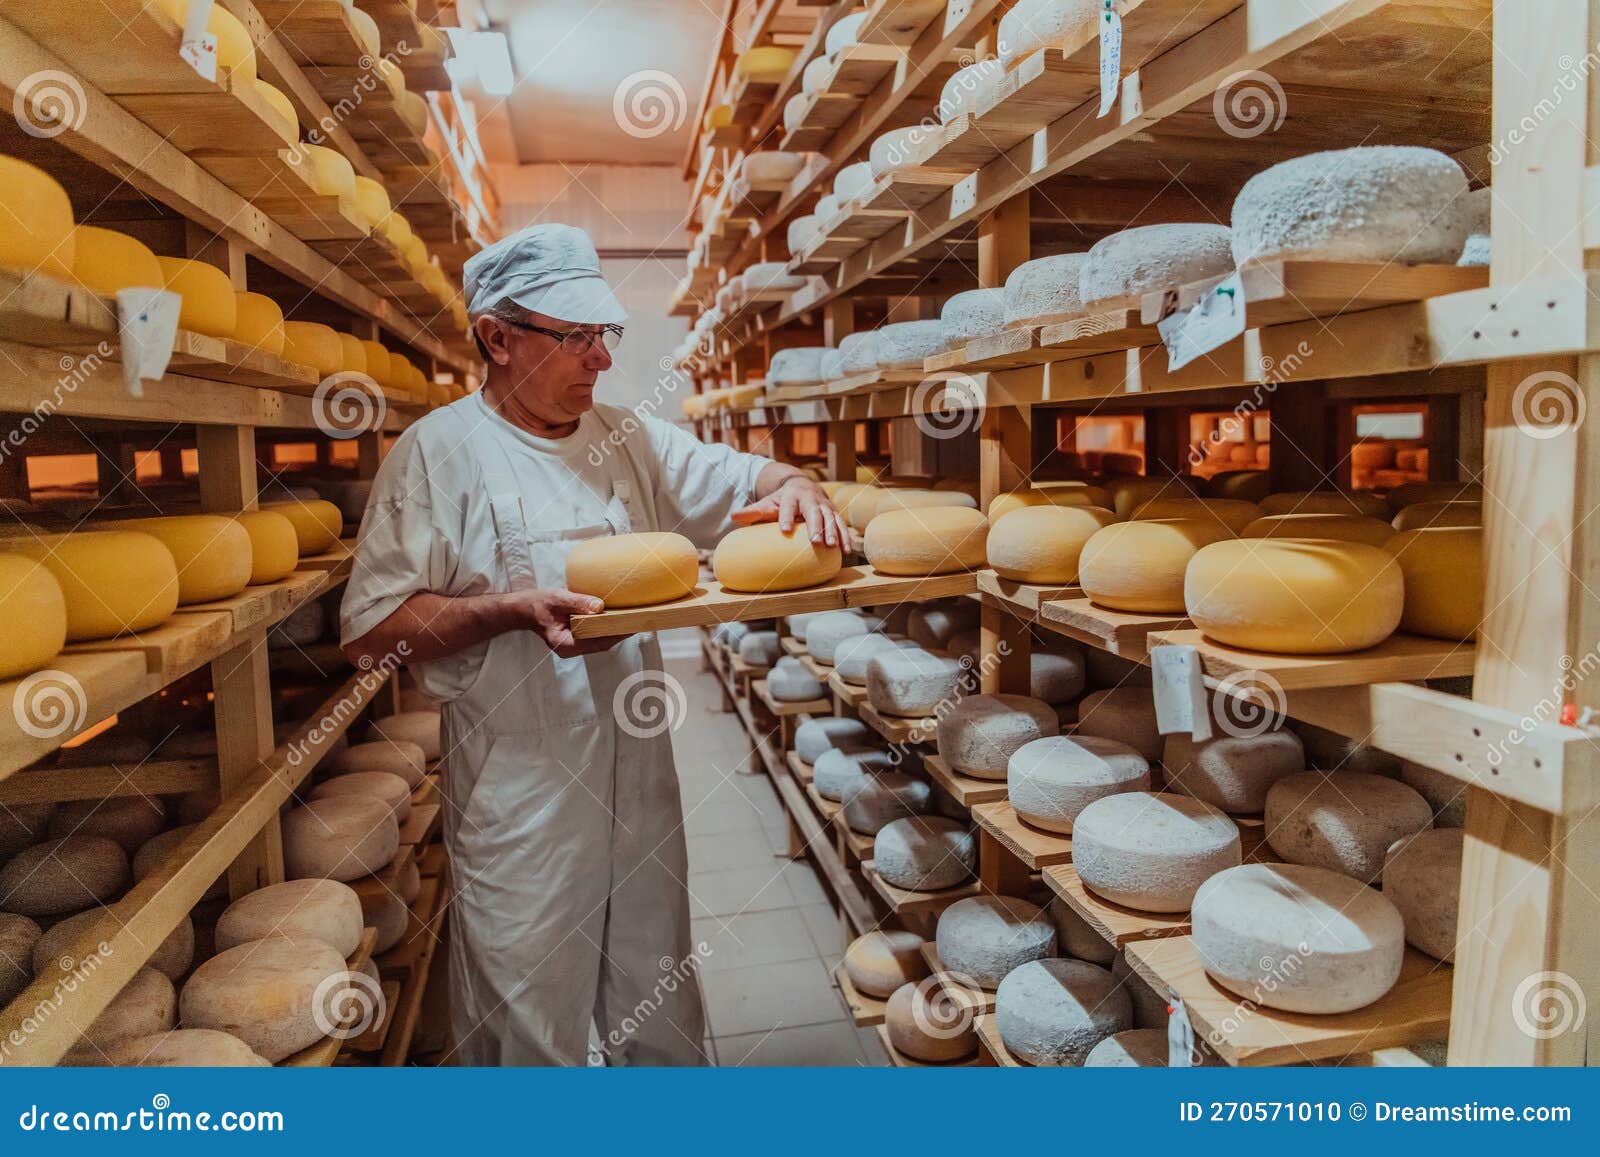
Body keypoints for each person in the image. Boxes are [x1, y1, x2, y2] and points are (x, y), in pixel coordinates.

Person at [341, 223, 845, 1065]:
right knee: (527, 1029)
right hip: (523, 797)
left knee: (661, 1011)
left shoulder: (625, 437)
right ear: (497, 338)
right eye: (574, 337)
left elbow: (736, 476)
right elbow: (369, 632)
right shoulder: (440, 455)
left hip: (640, 778)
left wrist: (795, 482)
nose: (601, 360)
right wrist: (503, 609)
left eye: (602, 335)